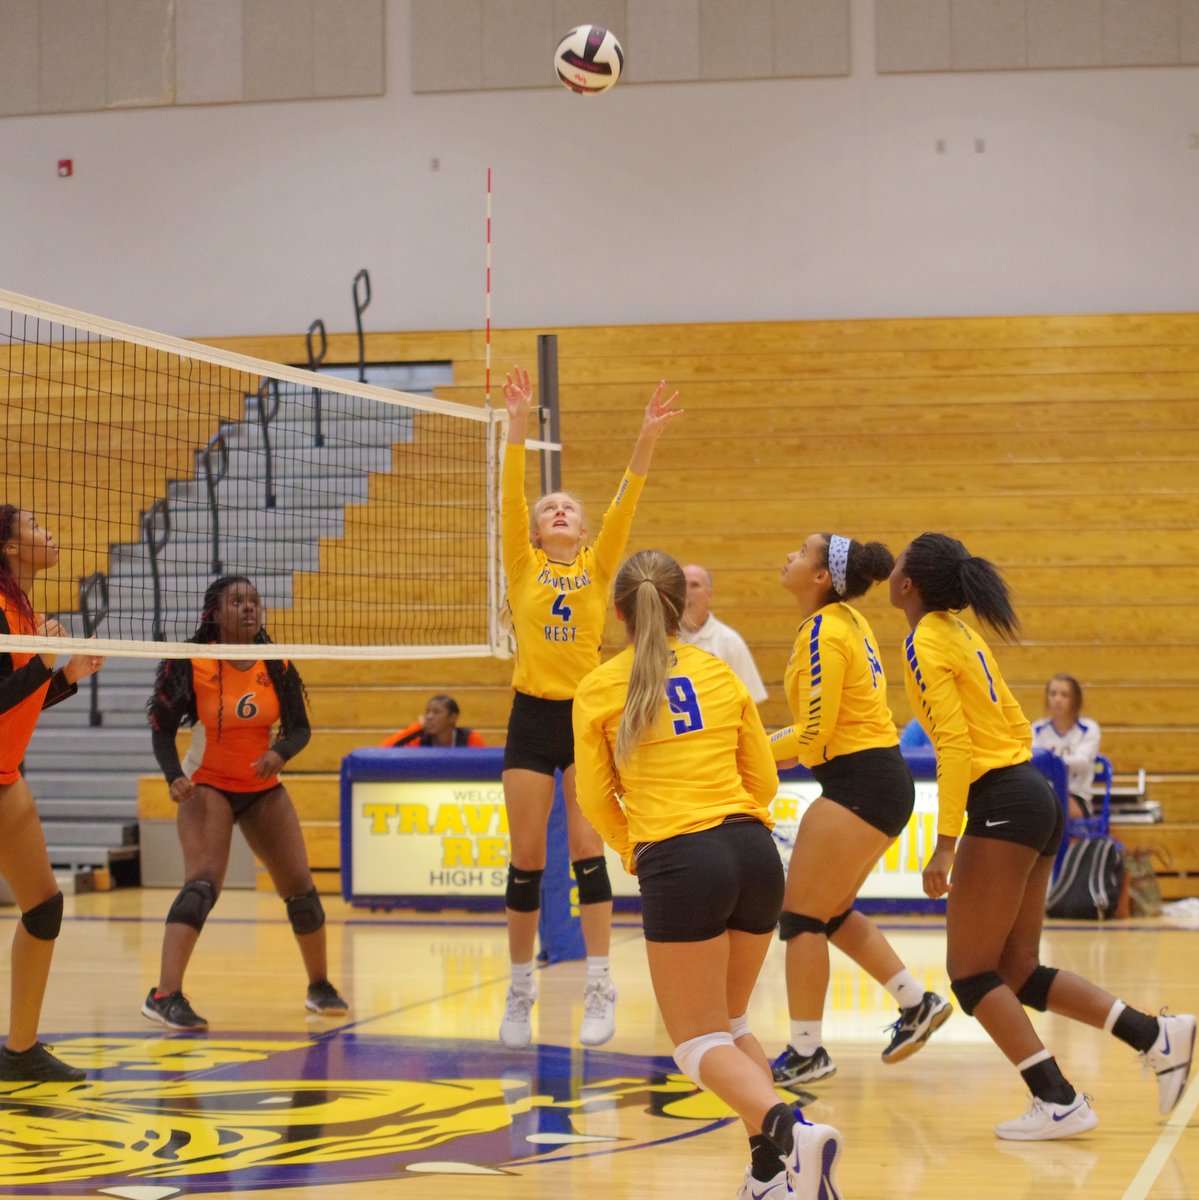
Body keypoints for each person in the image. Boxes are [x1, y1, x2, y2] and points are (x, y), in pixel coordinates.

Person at [890, 532, 1195, 1139]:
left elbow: (953, 746)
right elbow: (1009, 722)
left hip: (1004, 801)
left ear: (909, 584)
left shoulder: (924, 640)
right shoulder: (961, 634)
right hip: (1033, 792)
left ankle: (1058, 1099)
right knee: (1019, 971)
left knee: (971, 975)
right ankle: (1156, 1035)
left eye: (899, 560)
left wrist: (945, 843)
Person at [573, 550, 843, 1200]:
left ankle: (792, 1132)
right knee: (732, 1024)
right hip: (752, 852)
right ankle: (770, 1174)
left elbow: (594, 799)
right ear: (681, 609)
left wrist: (633, 849)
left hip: (681, 858)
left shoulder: (598, 688)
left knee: (696, 1044)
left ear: (618, 614)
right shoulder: (718, 671)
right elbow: (764, 780)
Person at [497, 365, 680, 1051]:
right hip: (529, 717)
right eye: (549, 508)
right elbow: (510, 496)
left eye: (567, 508)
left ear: (580, 527)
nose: (558, 511)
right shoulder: (522, 563)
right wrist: (517, 426)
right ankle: (519, 988)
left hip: (583, 719)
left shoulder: (599, 567)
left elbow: (627, 500)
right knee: (524, 860)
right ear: (537, 529)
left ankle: (600, 983)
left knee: (585, 851)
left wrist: (646, 436)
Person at [768, 533, 951, 1087]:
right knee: (830, 913)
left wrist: (747, 747)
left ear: (822, 577)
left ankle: (806, 1053)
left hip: (861, 783)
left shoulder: (824, 631)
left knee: (801, 919)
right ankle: (915, 1002)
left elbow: (813, 734)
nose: (790, 555)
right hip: (877, 779)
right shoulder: (844, 621)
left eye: (802, 551)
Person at [145, 574, 347, 1030]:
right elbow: (161, 728)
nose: (250, 607)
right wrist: (174, 776)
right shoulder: (192, 661)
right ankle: (163, 995)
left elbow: (300, 728)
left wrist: (280, 753)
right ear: (215, 613)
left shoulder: (276, 662)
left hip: (261, 788)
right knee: (202, 886)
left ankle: (319, 987)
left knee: (302, 890)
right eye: (237, 601)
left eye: (254, 600)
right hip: (207, 785)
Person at [0, 505, 103, 1082]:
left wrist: (65, 676)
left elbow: (17, 703)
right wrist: (43, 662)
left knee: (43, 906)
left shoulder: (23, 609)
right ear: (10, 548)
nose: (50, 532)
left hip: (4, 777)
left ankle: (20, 1051)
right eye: (36, 526)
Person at [678, 564, 768, 702]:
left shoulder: (730, 641)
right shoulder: (662, 638)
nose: (686, 592)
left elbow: (751, 698)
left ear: (710, 594)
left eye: (694, 585)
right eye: (682, 585)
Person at [1031, 674, 1101, 822]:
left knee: (1047, 810)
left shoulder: (1089, 729)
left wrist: (1050, 761)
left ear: (1075, 700)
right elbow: (1032, 763)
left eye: (1064, 695)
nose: (1057, 699)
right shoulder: (1037, 729)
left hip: (1076, 796)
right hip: (1042, 794)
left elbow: (1082, 762)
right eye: (1053, 694)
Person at [381, 694, 486, 748]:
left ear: (452, 718)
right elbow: (384, 750)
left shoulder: (470, 738)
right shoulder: (421, 740)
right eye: (427, 712)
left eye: (436, 712)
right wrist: (418, 727)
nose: (429, 717)